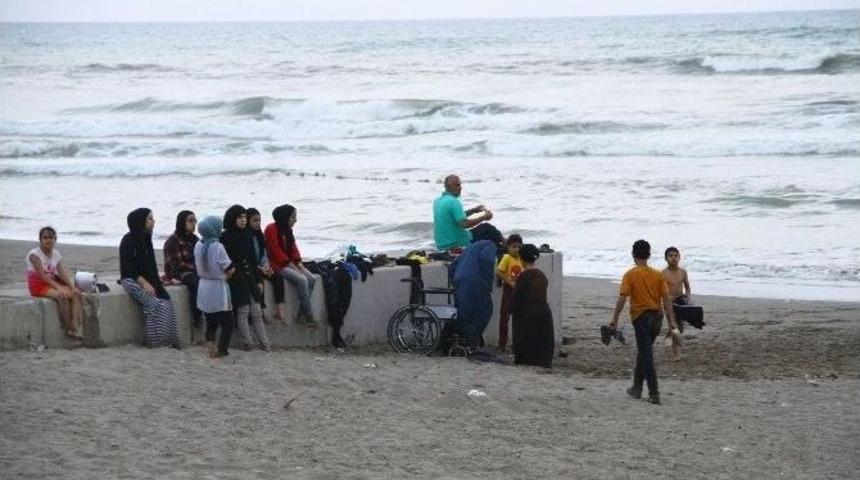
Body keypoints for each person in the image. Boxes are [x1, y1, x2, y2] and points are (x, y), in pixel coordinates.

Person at [609, 239, 678, 405]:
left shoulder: (630, 275)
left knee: (646, 355)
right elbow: (666, 299)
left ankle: (654, 393)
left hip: (641, 318)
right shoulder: (657, 275)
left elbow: (622, 298)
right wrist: (672, 321)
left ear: (633, 254)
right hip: (657, 318)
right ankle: (636, 387)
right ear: (649, 255)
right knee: (644, 351)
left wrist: (614, 319)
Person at [119, 208, 180, 348]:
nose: (154, 221)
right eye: (150, 218)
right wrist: (144, 282)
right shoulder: (128, 240)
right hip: (131, 280)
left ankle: (170, 341)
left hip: (147, 279)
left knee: (167, 302)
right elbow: (127, 267)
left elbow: (151, 266)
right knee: (154, 304)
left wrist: (160, 282)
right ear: (141, 221)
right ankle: (153, 342)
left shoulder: (146, 239)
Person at [221, 205, 271, 352]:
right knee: (243, 310)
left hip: (250, 276)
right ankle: (247, 343)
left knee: (256, 310)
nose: (243, 220)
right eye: (239, 217)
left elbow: (253, 260)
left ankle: (265, 343)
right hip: (236, 277)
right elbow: (224, 259)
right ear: (232, 219)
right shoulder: (225, 237)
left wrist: (259, 280)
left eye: (244, 217)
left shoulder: (248, 235)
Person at [450, 226, 503, 352]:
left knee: (465, 313)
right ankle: (474, 340)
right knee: (485, 310)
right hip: (475, 281)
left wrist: (455, 282)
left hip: (460, 281)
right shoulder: (489, 244)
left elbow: (453, 266)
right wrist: (487, 282)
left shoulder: (470, 247)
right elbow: (486, 259)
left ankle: (469, 341)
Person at [26, 226, 83, 340]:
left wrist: (72, 287)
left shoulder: (56, 254)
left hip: (51, 283)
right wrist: (59, 288)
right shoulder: (34, 254)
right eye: (45, 237)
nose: (48, 240)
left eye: (51, 237)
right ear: (40, 239)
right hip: (38, 285)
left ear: (55, 239)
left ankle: (74, 326)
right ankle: (68, 328)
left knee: (75, 294)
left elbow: (62, 273)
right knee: (62, 296)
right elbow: (42, 275)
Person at [265, 204, 317, 325]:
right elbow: (275, 250)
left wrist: (298, 262)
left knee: (311, 279)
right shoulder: (271, 229)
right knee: (302, 280)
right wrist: (290, 265)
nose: (295, 220)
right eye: (293, 217)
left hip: (289, 262)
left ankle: (300, 315)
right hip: (277, 264)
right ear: (285, 217)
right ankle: (309, 316)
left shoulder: (288, 230)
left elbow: (293, 247)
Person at [194, 215, 235, 358]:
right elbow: (229, 268)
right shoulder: (218, 247)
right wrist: (229, 275)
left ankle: (211, 349)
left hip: (203, 286)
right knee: (228, 321)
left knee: (210, 320)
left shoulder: (198, 245)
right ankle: (222, 349)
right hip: (217, 287)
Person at [510, 244, 554, 368]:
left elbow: (517, 298)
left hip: (527, 314)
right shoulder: (541, 275)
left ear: (521, 258)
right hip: (544, 312)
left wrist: (510, 309)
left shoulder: (523, 276)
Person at [433, 174, 493, 251]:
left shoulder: (437, 201)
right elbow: (464, 224)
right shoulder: (454, 201)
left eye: (460, 185)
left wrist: (474, 210)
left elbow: (453, 217)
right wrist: (484, 217)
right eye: (457, 185)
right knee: (487, 228)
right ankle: (503, 250)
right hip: (456, 243)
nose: (460, 188)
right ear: (448, 187)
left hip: (441, 245)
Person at [163, 210, 202, 328]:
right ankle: (197, 317)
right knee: (195, 282)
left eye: (195, 221)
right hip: (177, 272)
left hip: (194, 270)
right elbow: (177, 264)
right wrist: (196, 269)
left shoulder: (195, 239)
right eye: (190, 221)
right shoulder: (173, 241)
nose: (194, 223)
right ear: (182, 222)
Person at [247, 207, 285, 323]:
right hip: (251, 268)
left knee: (278, 276)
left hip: (262, 266)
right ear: (248, 221)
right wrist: (260, 268)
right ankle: (263, 311)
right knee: (259, 281)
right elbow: (248, 259)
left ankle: (280, 309)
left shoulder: (259, 235)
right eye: (254, 220)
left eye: (259, 220)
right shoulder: (245, 236)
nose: (258, 223)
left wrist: (266, 265)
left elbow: (263, 253)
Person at [496, 233, 523, 351]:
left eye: (519, 247)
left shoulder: (522, 259)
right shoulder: (507, 258)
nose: (517, 249)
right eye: (514, 246)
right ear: (508, 247)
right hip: (508, 289)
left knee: (519, 317)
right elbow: (499, 272)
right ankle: (502, 343)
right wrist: (510, 283)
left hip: (520, 290)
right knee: (505, 316)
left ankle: (517, 343)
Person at [662, 246, 690, 360]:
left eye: (676, 255)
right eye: (670, 256)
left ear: (679, 257)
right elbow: (660, 291)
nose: (673, 258)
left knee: (680, 328)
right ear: (666, 258)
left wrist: (687, 296)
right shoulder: (663, 273)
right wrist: (666, 297)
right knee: (674, 327)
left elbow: (687, 287)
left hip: (681, 302)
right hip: (668, 303)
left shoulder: (683, 272)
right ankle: (676, 353)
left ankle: (669, 336)